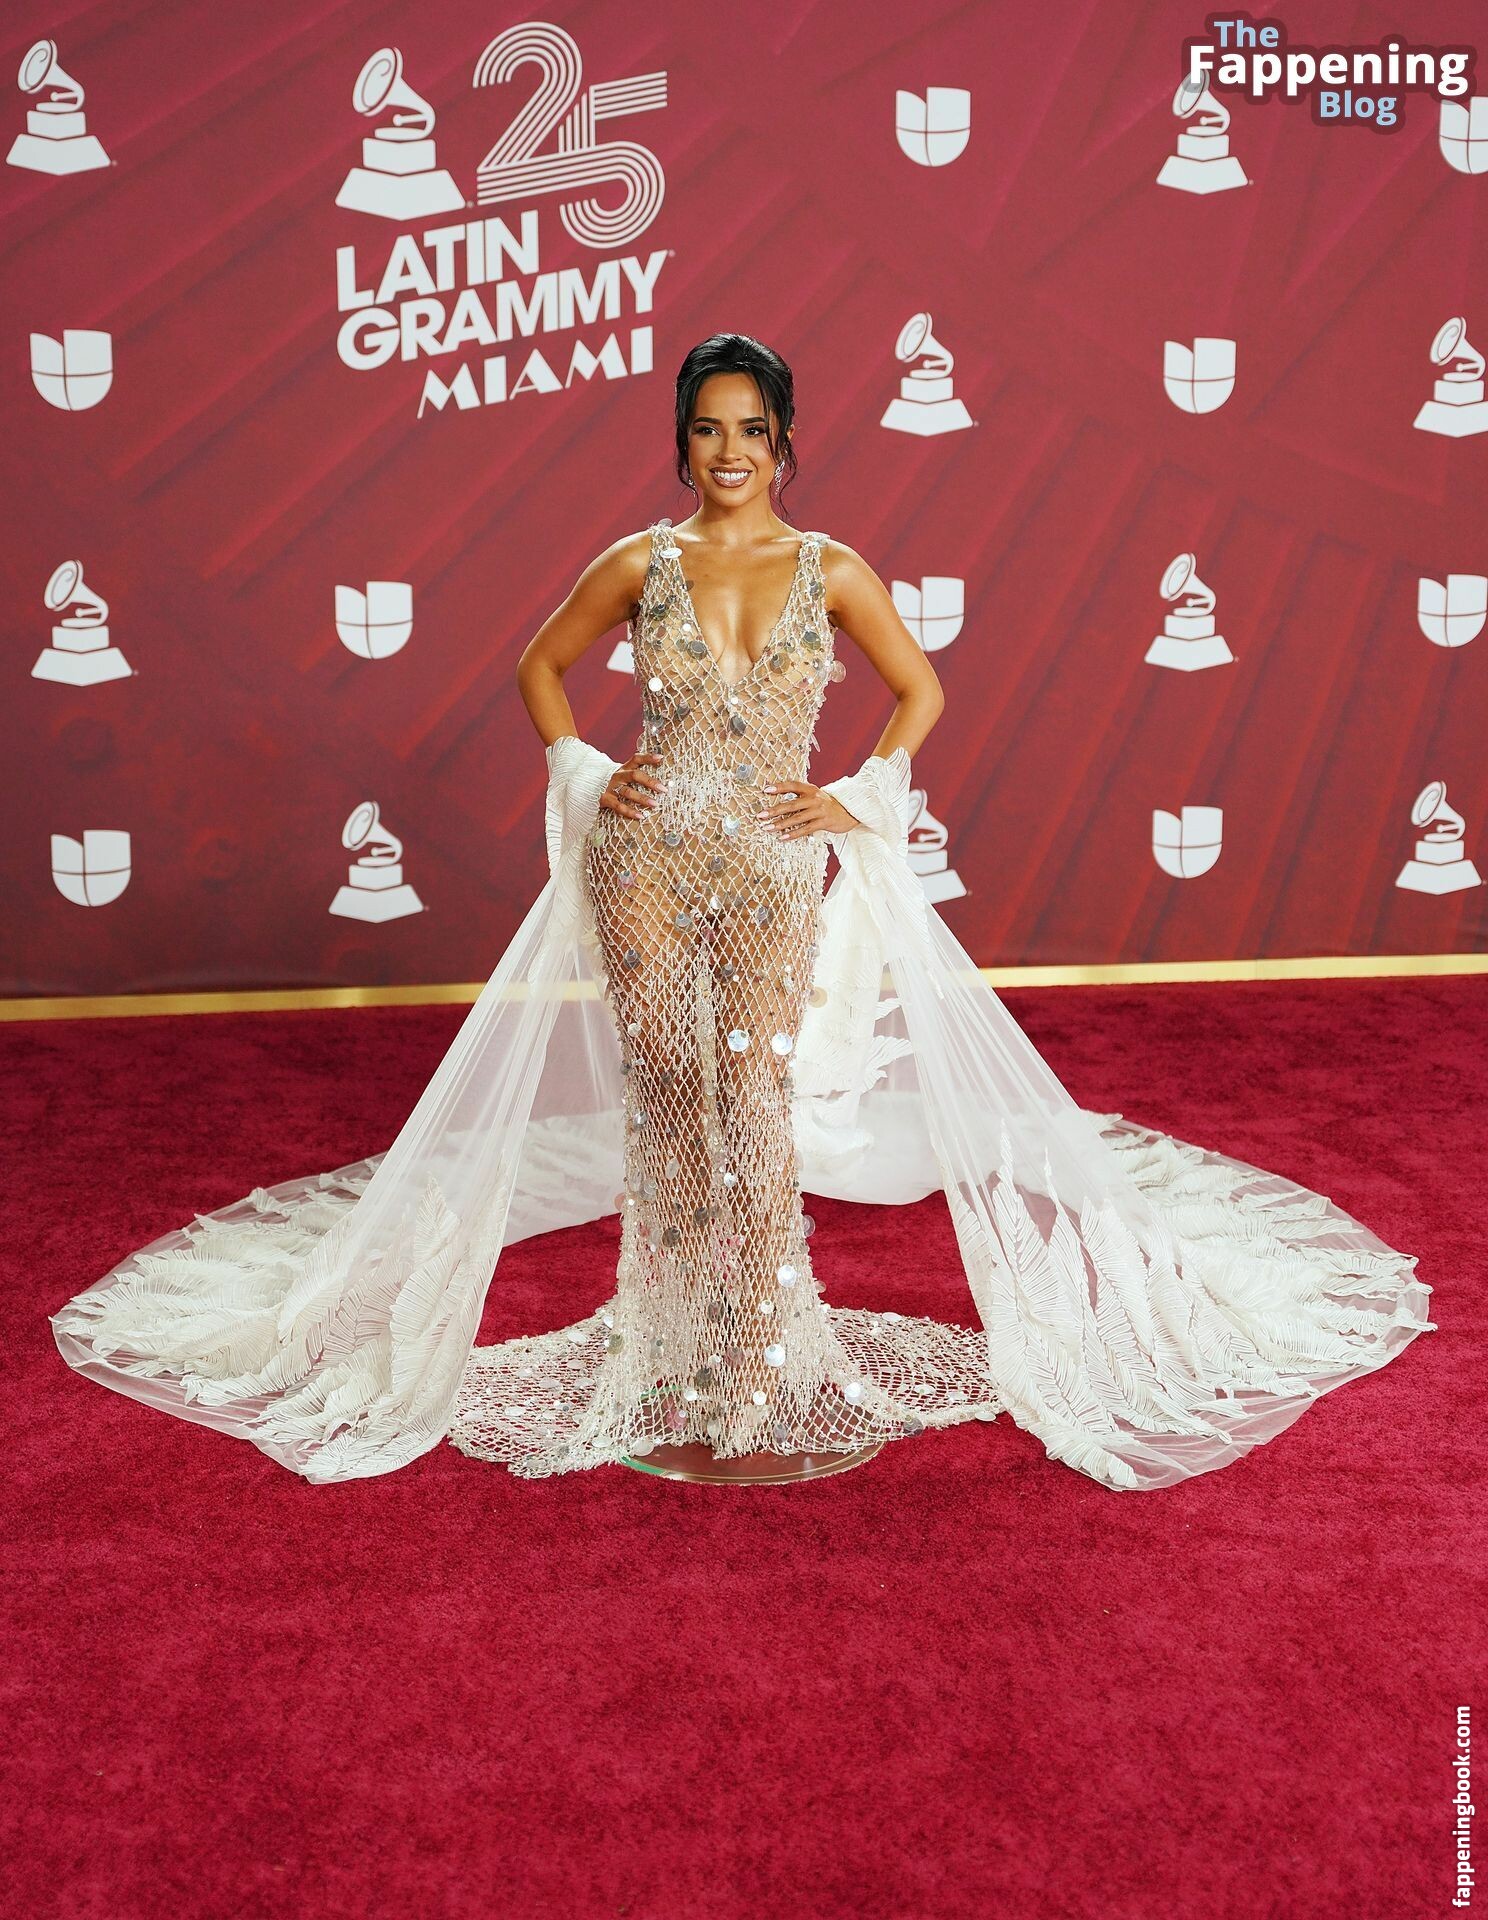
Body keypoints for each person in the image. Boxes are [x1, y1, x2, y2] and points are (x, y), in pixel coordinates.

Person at [50, 334, 1437, 1491]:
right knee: (668, 1097)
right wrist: (586, 772)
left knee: (754, 1100)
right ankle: (672, 1352)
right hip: (646, 863)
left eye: (753, 431)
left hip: (773, 864)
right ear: (683, 443)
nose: (730, 452)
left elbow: (923, 691)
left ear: (784, 444)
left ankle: (765, 1361)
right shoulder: (637, 563)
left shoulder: (830, 569)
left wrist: (855, 795)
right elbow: (538, 667)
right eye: (708, 430)